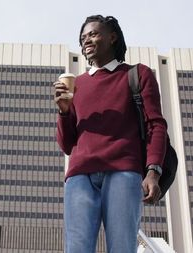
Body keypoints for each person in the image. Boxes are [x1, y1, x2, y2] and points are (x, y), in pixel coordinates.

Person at [54, 15, 167, 253]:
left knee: (122, 248)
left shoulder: (137, 74)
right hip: (79, 176)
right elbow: (66, 145)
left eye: (93, 34)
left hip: (123, 172)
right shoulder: (78, 83)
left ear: (112, 37)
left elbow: (156, 125)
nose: (87, 40)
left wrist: (153, 172)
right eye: (83, 37)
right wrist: (64, 112)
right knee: (77, 249)